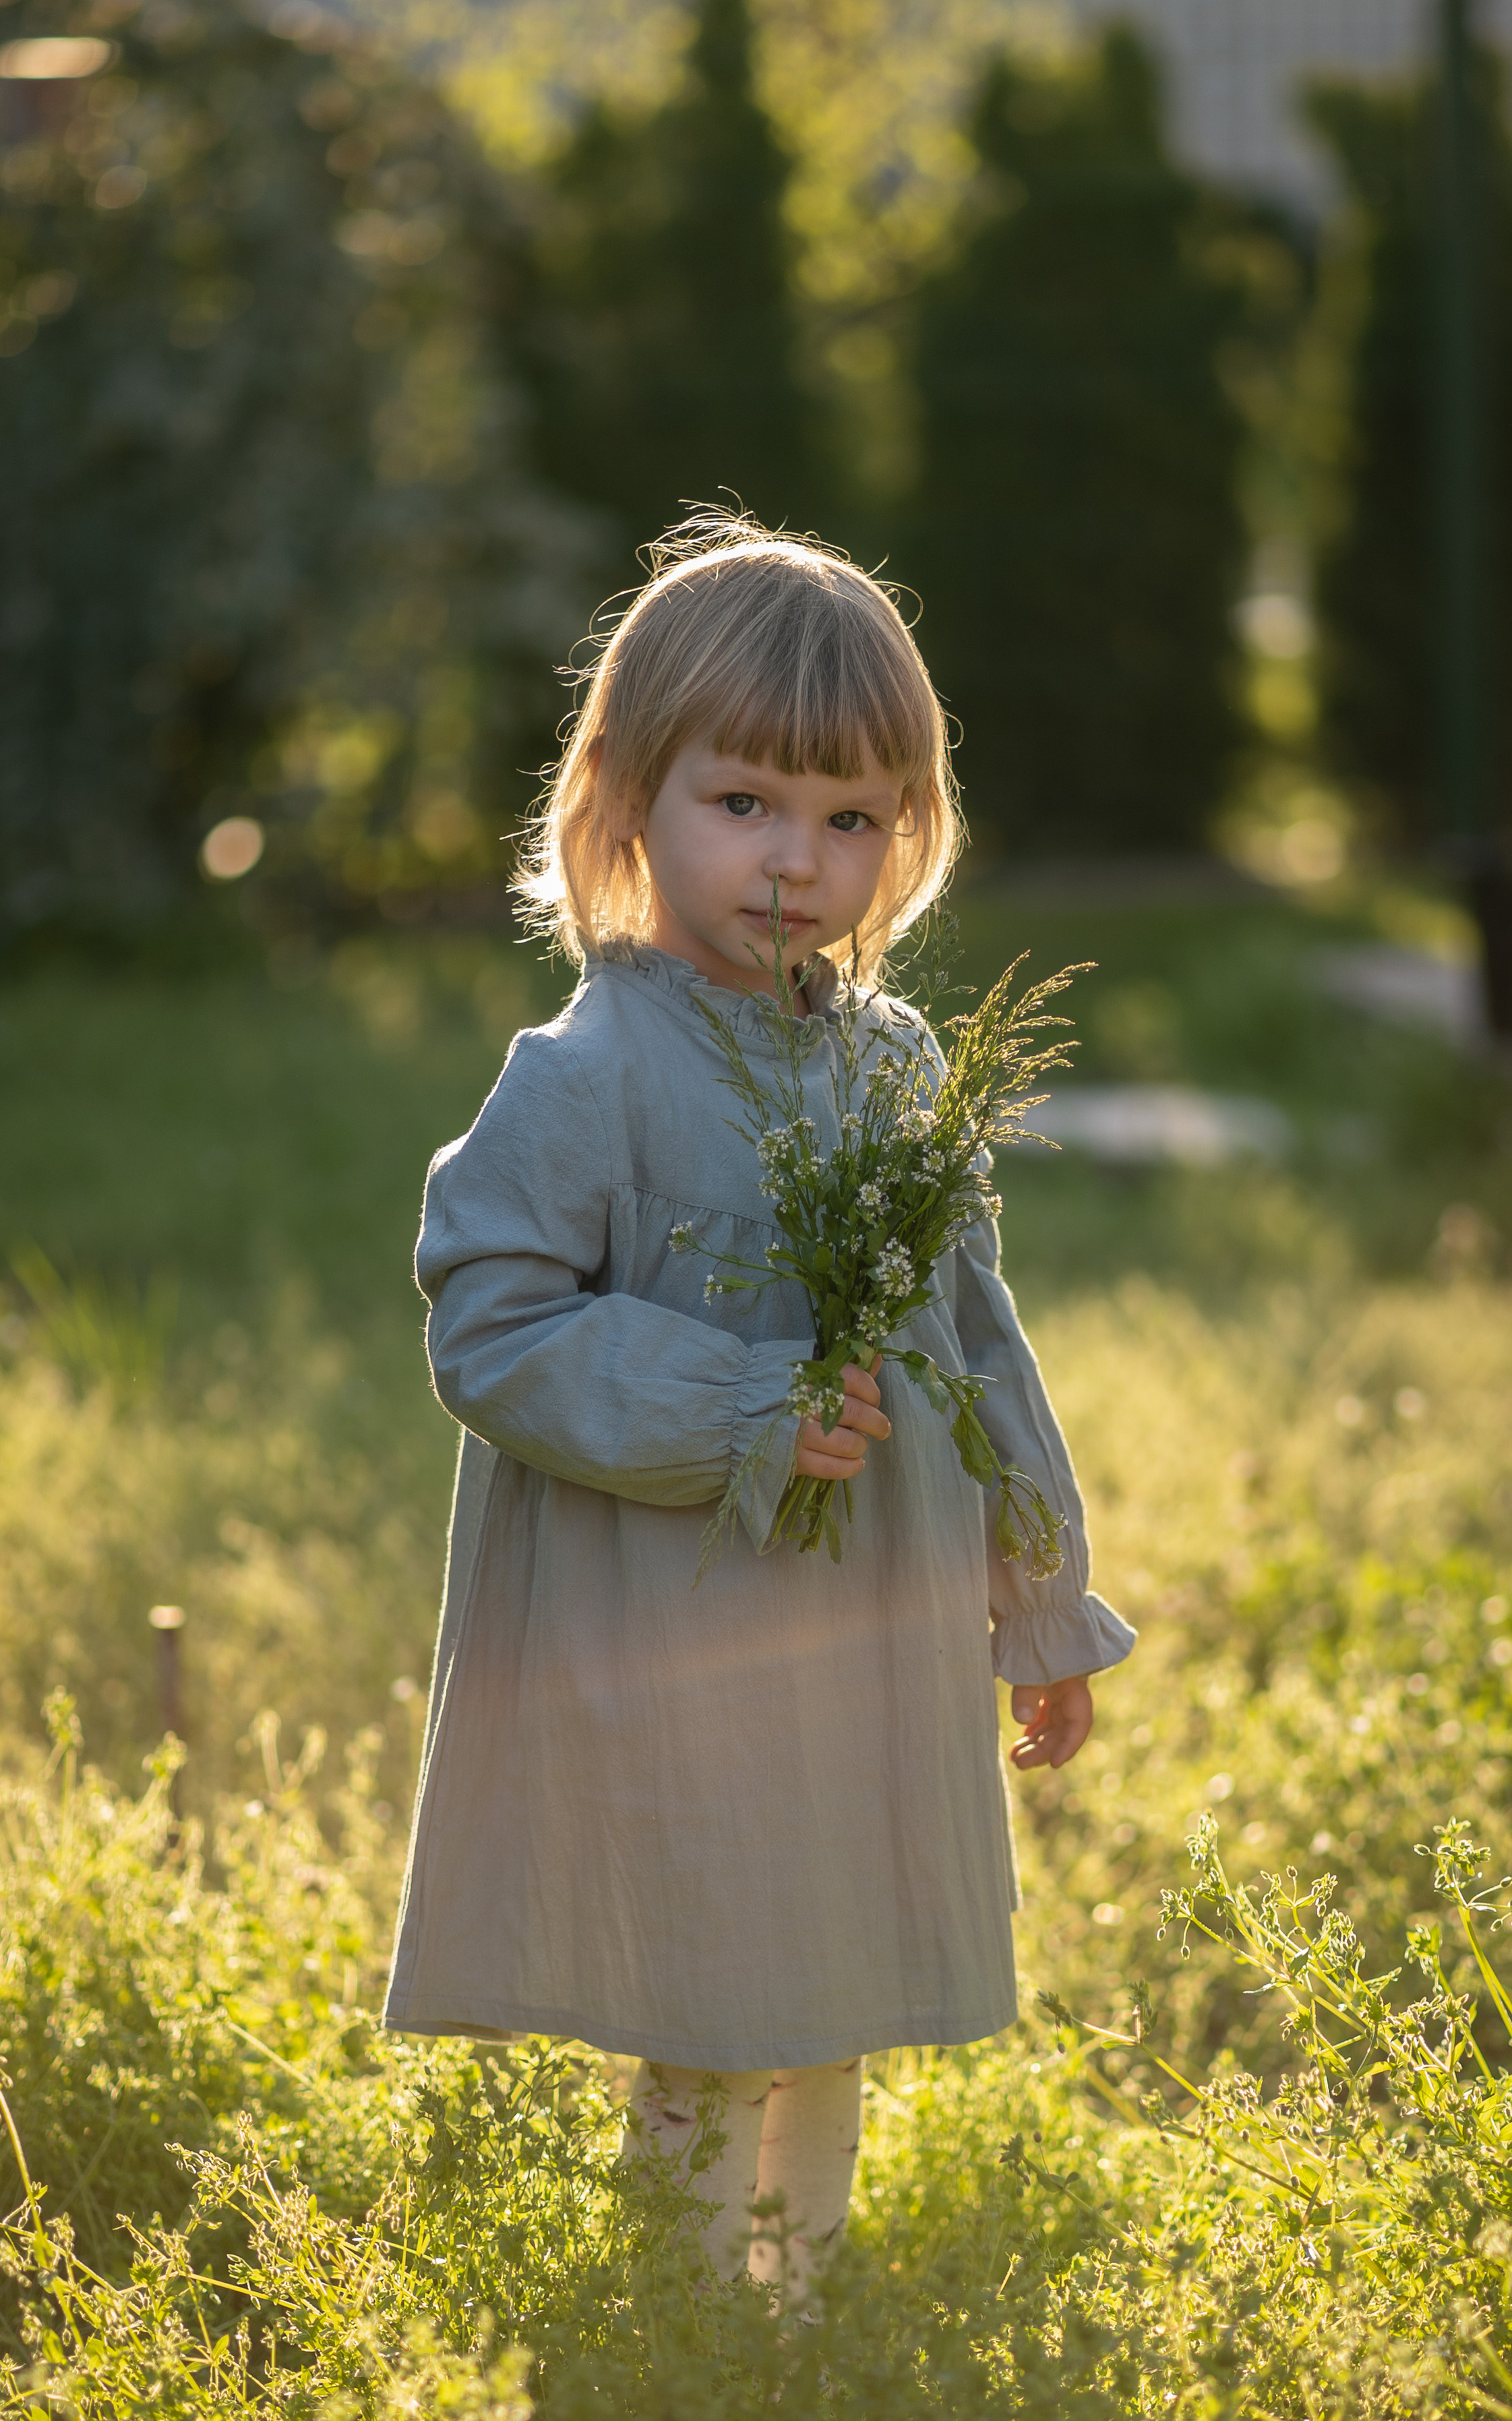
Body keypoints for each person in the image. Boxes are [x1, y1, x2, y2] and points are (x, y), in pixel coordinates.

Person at [383, 510, 1135, 2302]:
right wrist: (736, 1406)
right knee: (716, 1989)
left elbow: (973, 1335)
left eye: (852, 816)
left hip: (859, 1634)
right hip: (683, 1625)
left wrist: (1038, 1597)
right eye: (745, 802)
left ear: (908, 832)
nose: (799, 860)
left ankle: (792, 2317)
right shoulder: (589, 1073)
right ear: (627, 797)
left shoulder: (896, 1064)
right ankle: (684, 2335)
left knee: (826, 1987)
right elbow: (490, 1320)